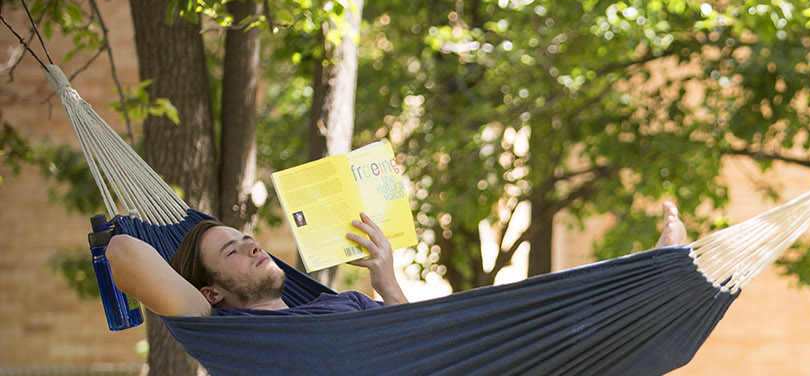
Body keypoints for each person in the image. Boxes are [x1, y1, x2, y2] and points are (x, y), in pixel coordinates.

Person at [107, 202, 690, 317]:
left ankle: (652, 279)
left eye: (248, 236)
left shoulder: (334, 301)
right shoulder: (231, 330)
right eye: (232, 250)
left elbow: (416, 338)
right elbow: (124, 252)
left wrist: (386, 279)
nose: (254, 243)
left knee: (527, 316)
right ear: (211, 291)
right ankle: (652, 279)